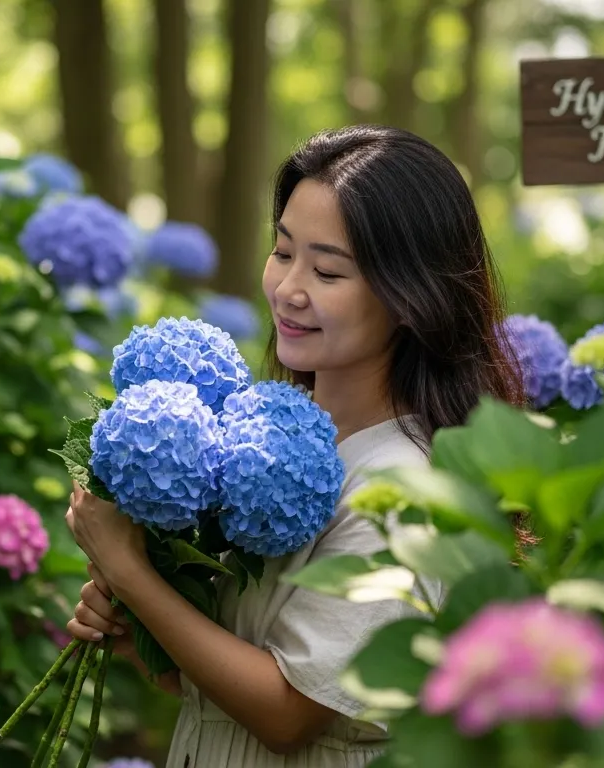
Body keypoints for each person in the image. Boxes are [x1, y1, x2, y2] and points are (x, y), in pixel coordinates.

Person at [65, 125, 523, 767]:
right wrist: (142, 632)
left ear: (411, 296)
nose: (288, 289)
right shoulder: (262, 439)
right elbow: (216, 686)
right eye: (283, 253)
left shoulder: (406, 489)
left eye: (327, 269)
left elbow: (289, 714)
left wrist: (132, 574)